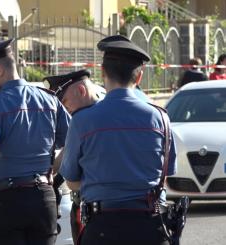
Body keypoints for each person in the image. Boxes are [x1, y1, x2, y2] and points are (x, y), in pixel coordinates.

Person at [60, 35, 177, 245]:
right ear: (139, 77)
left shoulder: (82, 120)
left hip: (102, 228)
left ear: (102, 72)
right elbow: (165, 175)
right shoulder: (161, 118)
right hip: (150, 227)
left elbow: (71, 180)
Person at [0, 39, 70, 245]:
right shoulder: (50, 99)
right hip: (44, 201)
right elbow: (73, 141)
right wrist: (52, 173)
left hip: (5, 205)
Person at [44, 69, 99, 245]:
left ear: (81, 91)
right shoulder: (83, 120)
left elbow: (71, 179)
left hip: (96, 208)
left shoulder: (85, 120)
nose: (65, 109)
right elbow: (68, 152)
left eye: (65, 102)